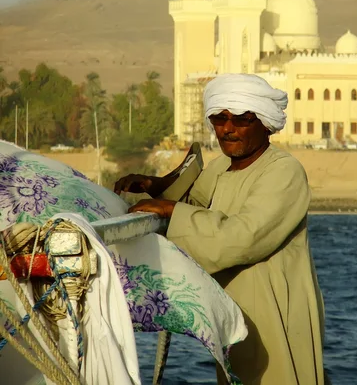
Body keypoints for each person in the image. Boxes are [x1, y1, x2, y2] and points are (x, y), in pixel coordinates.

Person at [115, 74, 328, 385]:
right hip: (234, 315)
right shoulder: (218, 167)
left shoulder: (283, 171)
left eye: (242, 119)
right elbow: (194, 204)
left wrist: (172, 210)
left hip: (275, 312)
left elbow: (243, 237)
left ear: (264, 123)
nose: (229, 128)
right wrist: (155, 187)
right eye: (220, 118)